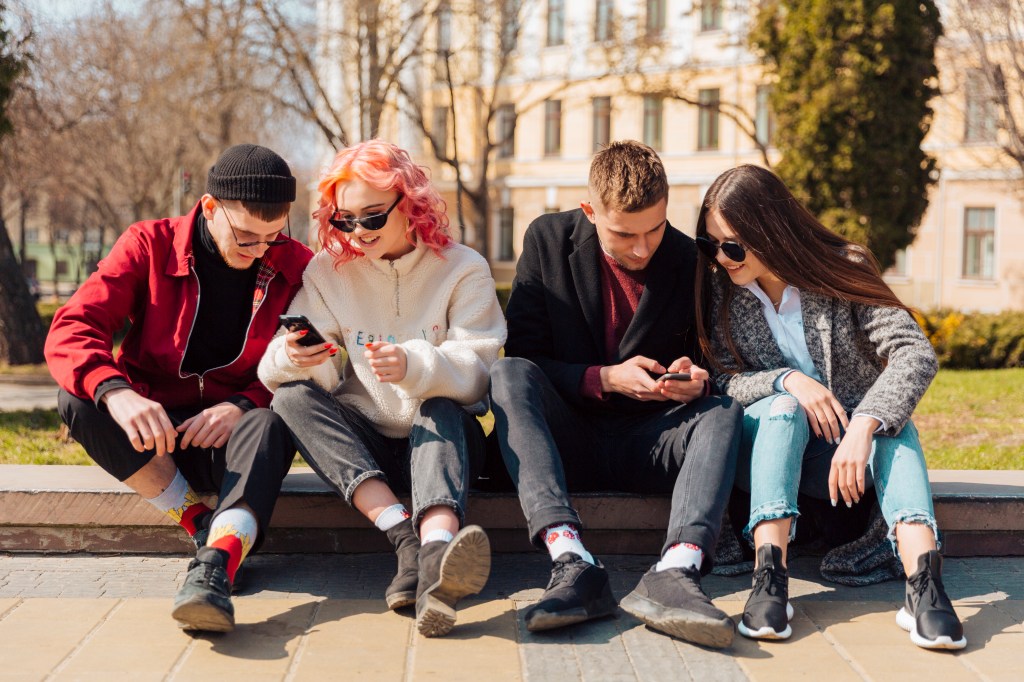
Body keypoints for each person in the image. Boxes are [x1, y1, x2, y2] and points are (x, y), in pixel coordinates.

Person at [694, 164, 965, 650]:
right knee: (783, 408)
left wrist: (864, 423)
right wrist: (787, 380)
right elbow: (719, 380)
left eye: (731, 245)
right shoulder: (722, 287)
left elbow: (913, 351)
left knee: (890, 426)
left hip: (839, 462)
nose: (720, 257)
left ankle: (926, 587)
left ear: (769, 232)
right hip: (759, 455)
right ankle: (769, 581)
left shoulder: (844, 266)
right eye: (709, 244)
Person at [44, 144, 313, 633]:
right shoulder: (148, 244)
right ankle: (197, 521)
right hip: (154, 437)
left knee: (272, 419)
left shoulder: (295, 263)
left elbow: (308, 364)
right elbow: (72, 328)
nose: (260, 252)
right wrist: (116, 391)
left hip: (237, 442)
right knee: (78, 399)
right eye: (247, 237)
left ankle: (216, 564)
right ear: (210, 208)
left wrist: (244, 402)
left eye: (273, 237)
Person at [489, 140, 743, 648]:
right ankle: (571, 561)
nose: (643, 247)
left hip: (648, 441)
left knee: (723, 409)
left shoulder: (689, 258)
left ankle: (677, 571)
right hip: (565, 439)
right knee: (509, 374)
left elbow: (707, 355)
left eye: (655, 228)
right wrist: (603, 378)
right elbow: (526, 355)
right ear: (589, 211)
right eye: (625, 233)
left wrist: (693, 378)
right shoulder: (548, 239)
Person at [258, 139, 506, 638]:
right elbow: (296, 374)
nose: (358, 231)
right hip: (366, 440)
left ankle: (436, 553)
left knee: (439, 404)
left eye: (372, 217)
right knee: (289, 397)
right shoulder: (328, 271)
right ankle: (406, 541)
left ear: (409, 203)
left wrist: (416, 364)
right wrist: (298, 357)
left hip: (444, 439)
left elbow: (479, 370)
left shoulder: (464, 269)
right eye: (344, 220)